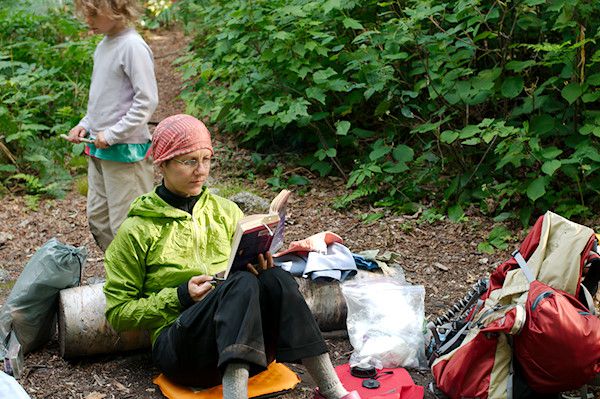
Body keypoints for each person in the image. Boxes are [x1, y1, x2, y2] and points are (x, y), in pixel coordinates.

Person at [102, 114, 361, 399]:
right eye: (188, 161)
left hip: (250, 349)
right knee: (239, 284)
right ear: (162, 163)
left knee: (275, 277)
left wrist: (259, 267)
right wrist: (180, 296)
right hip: (184, 353)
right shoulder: (137, 230)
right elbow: (118, 314)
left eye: (206, 160)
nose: (200, 171)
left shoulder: (227, 212)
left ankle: (331, 389)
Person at [68, 0, 159, 251]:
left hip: (125, 154)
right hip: (100, 150)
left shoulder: (132, 46)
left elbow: (146, 101)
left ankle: (138, 282)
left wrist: (113, 134)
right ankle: (121, 274)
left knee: (129, 226)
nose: (88, 20)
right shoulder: (103, 45)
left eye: (93, 13)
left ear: (116, 8)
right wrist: (84, 125)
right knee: (98, 219)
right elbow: (102, 100)